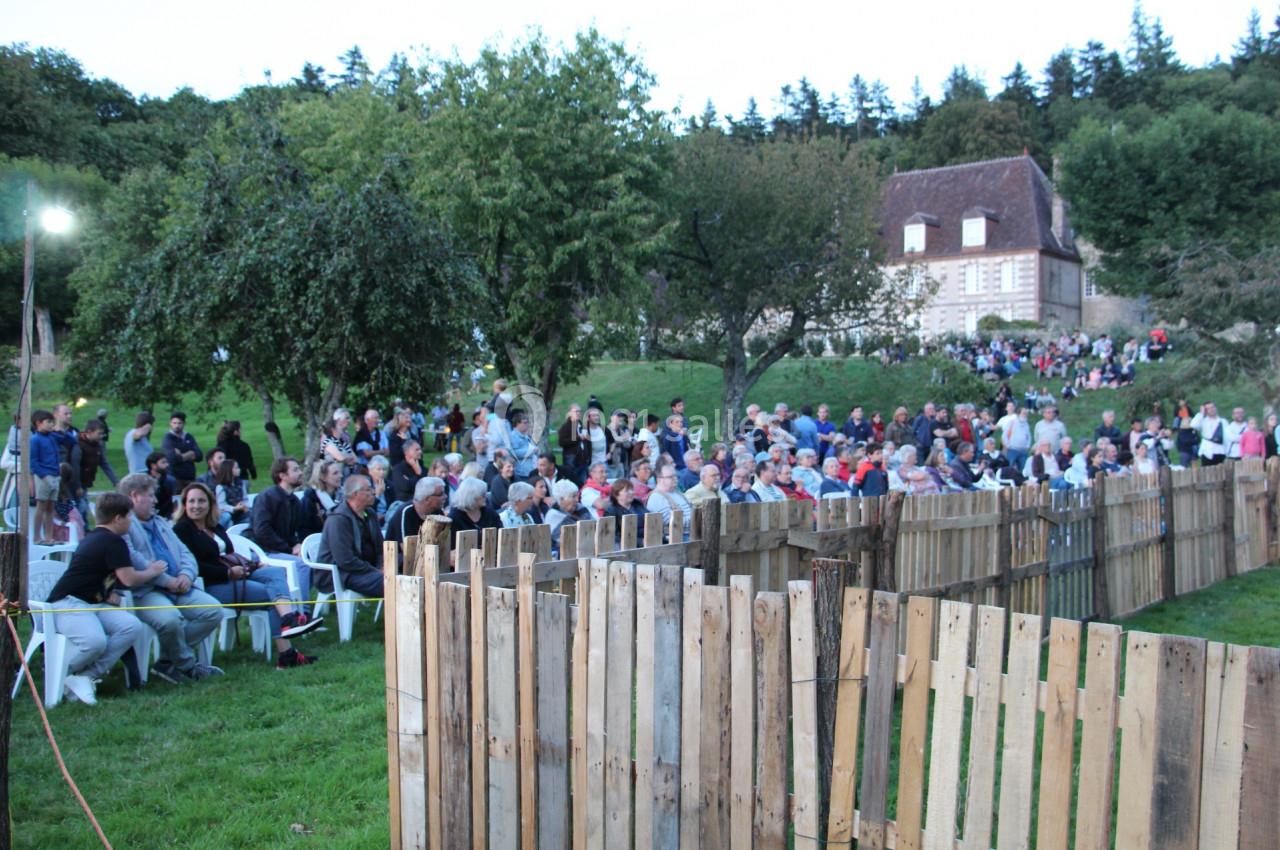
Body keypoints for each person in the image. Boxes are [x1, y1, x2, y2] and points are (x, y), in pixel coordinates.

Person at [173, 483, 320, 668]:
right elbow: (193, 565)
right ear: (184, 505)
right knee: (271, 596)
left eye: (201, 501)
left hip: (236, 575)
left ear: (210, 504)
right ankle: (287, 649)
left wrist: (253, 563)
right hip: (210, 585)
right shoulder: (181, 531)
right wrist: (227, 572)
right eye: (191, 501)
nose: (196, 505)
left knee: (274, 573)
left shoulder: (215, 527)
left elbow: (229, 554)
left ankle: (288, 620)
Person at [118, 473, 224, 682]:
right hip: (147, 591)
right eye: (151, 495)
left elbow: (186, 554)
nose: (156, 500)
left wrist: (186, 575)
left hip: (181, 586)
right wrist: (167, 582)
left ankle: (167, 661)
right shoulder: (124, 526)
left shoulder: (160, 522)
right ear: (135, 496)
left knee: (213, 611)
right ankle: (187, 666)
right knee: (170, 619)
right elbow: (136, 560)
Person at [45, 493, 150, 702]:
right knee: (95, 641)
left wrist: (107, 592)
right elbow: (128, 579)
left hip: (92, 603)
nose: (131, 521)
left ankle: (85, 677)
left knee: (131, 626)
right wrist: (152, 571)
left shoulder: (93, 536)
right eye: (129, 516)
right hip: (66, 603)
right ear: (117, 519)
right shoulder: (113, 541)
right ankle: (58, 672)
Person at [315, 475, 386, 598]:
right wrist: (377, 571)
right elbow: (345, 561)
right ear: (355, 494)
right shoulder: (338, 520)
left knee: (407, 572)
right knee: (393, 583)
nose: (373, 492)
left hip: (368, 568)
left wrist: (383, 565)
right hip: (343, 574)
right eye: (368, 489)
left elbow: (381, 547)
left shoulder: (370, 514)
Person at [385, 476, 447, 547]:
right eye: (441, 494)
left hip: (431, 555)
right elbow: (407, 549)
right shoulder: (406, 512)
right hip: (400, 556)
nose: (445, 496)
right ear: (427, 499)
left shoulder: (438, 512)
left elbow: (444, 542)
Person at [29, 410, 62, 544]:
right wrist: (43, 476)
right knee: (41, 506)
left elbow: (69, 440)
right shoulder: (35, 439)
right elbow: (33, 461)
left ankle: (49, 536)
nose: (51, 425)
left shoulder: (52, 437)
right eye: (48, 422)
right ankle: (37, 536)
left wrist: (58, 430)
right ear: (38, 423)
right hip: (44, 476)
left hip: (55, 474)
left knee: (51, 507)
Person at [545, 479, 594, 555]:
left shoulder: (581, 509)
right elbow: (565, 542)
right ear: (561, 499)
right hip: (562, 556)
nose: (577, 500)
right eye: (573, 496)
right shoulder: (553, 516)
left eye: (577, 496)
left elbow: (594, 527)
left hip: (587, 551)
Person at [645, 464, 694, 540]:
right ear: (659, 479)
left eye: (676, 476)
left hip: (691, 534)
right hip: (675, 539)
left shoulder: (678, 493)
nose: (675, 479)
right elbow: (670, 523)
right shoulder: (656, 497)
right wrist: (696, 518)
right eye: (671, 477)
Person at [448, 477, 502, 544]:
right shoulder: (454, 518)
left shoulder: (490, 513)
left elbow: (501, 536)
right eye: (482, 494)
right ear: (471, 496)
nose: (486, 496)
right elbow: (451, 546)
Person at [299, 460, 342, 539]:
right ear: (323, 477)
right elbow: (304, 528)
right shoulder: (310, 499)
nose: (340, 476)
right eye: (335, 473)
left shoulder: (343, 495)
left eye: (339, 472)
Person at [161, 412, 204, 490]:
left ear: (184, 424)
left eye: (179, 423)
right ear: (170, 423)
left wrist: (180, 454)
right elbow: (172, 458)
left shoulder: (188, 436)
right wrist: (190, 454)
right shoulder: (168, 438)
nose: (177, 426)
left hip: (190, 478)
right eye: (174, 423)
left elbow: (199, 455)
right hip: (176, 478)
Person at [558, 404, 591, 486]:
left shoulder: (582, 425)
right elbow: (561, 442)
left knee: (583, 483)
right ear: (570, 413)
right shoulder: (566, 426)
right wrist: (577, 437)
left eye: (579, 411)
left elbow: (588, 442)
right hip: (572, 459)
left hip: (583, 460)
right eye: (576, 411)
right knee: (573, 482)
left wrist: (589, 456)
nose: (578, 413)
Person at [213, 458, 250, 527]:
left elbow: (245, 498)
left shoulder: (241, 484)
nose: (239, 469)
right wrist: (234, 508)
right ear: (229, 470)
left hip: (241, 511)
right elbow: (221, 505)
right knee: (227, 517)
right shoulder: (221, 487)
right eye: (236, 468)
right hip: (228, 512)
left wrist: (245, 505)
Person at [320, 409, 358, 474]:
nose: (349, 421)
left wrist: (347, 459)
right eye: (347, 418)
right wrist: (347, 459)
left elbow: (355, 459)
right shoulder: (327, 440)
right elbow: (341, 458)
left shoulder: (344, 440)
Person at [390, 440, 425, 504]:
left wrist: (411, 481)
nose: (420, 452)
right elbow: (405, 486)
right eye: (416, 450)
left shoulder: (422, 467)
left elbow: (425, 486)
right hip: (404, 503)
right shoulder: (398, 469)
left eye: (420, 449)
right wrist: (418, 474)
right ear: (406, 452)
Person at [145, 451, 177, 519]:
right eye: (163, 462)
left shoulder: (170, 481)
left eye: (166, 462)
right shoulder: (144, 481)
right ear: (153, 465)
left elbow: (174, 500)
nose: (167, 465)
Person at [367, 455, 391, 523]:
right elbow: (367, 509)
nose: (382, 472)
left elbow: (394, 505)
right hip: (371, 520)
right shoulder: (366, 486)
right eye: (379, 469)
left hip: (388, 519)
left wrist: (385, 516)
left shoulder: (390, 485)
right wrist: (377, 495)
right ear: (370, 471)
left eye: (384, 469)